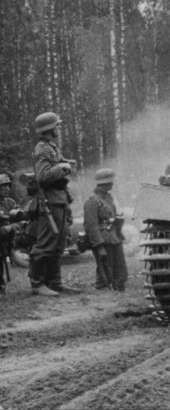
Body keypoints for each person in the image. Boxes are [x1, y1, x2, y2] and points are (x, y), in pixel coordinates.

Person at [28, 112, 78, 296]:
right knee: (46, 244)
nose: (59, 129)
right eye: (57, 126)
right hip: (49, 202)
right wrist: (61, 168)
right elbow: (42, 177)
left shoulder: (52, 147)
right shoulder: (42, 149)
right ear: (49, 129)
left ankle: (55, 282)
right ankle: (37, 283)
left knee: (58, 244)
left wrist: (64, 165)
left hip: (59, 200)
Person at [84, 168, 127, 291]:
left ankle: (118, 288)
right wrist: (98, 245)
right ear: (104, 183)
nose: (113, 184)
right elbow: (91, 225)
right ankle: (103, 290)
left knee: (120, 268)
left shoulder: (109, 198)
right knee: (105, 267)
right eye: (111, 182)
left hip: (114, 237)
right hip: (103, 239)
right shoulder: (92, 201)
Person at [0, 173, 22, 294]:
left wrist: (12, 227)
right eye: (3, 186)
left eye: (8, 186)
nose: (7, 189)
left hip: (8, 239)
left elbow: (20, 221)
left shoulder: (11, 203)